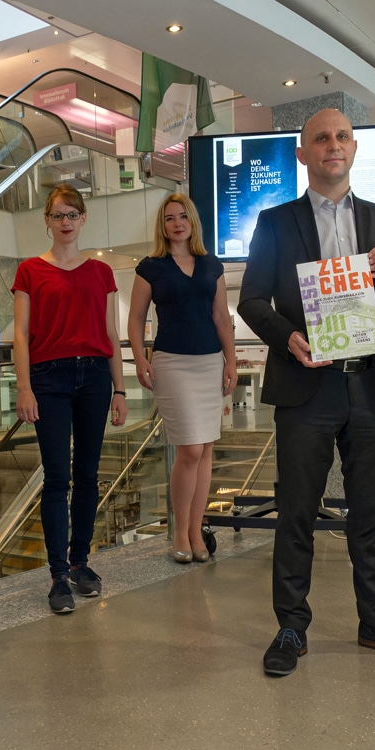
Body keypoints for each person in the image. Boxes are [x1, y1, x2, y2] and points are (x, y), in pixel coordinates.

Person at [237, 108, 375, 676]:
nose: (333, 145)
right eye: (321, 138)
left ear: (354, 150)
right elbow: (252, 299)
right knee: (298, 513)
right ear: (303, 154)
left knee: (372, 513)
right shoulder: (276, 223)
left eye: (342, 137)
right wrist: (289, 339)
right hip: (307, 385)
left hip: (371, 385)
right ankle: (290, 626)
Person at [12, 184, 128, 614]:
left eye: (72, 215)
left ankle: (81, 563)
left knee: (89, 474)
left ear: (83, 220)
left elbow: (112, 336)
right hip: (50, 378)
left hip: (96, 376)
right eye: (58, 215)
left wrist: (120, 389)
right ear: (46, 221)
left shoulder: (101, 274)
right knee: (57, 477)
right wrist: (24, 387)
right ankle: (58, 574)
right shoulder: (29, 271)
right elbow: (21, 336)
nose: (65, 222)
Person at [127, 193, 236, 563]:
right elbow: (136, 319)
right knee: (189, 448)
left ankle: (195, 530)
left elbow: (222, 319)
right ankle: (179, 530)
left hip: (210, 362)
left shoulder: (211, 265)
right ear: (163, 225)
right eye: (170, 218)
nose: (177, 223)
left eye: (183, 217)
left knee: (205, 448)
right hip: (172, 363)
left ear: (193, 222)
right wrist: (141, 357)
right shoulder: (151, 266)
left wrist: (231, 361)